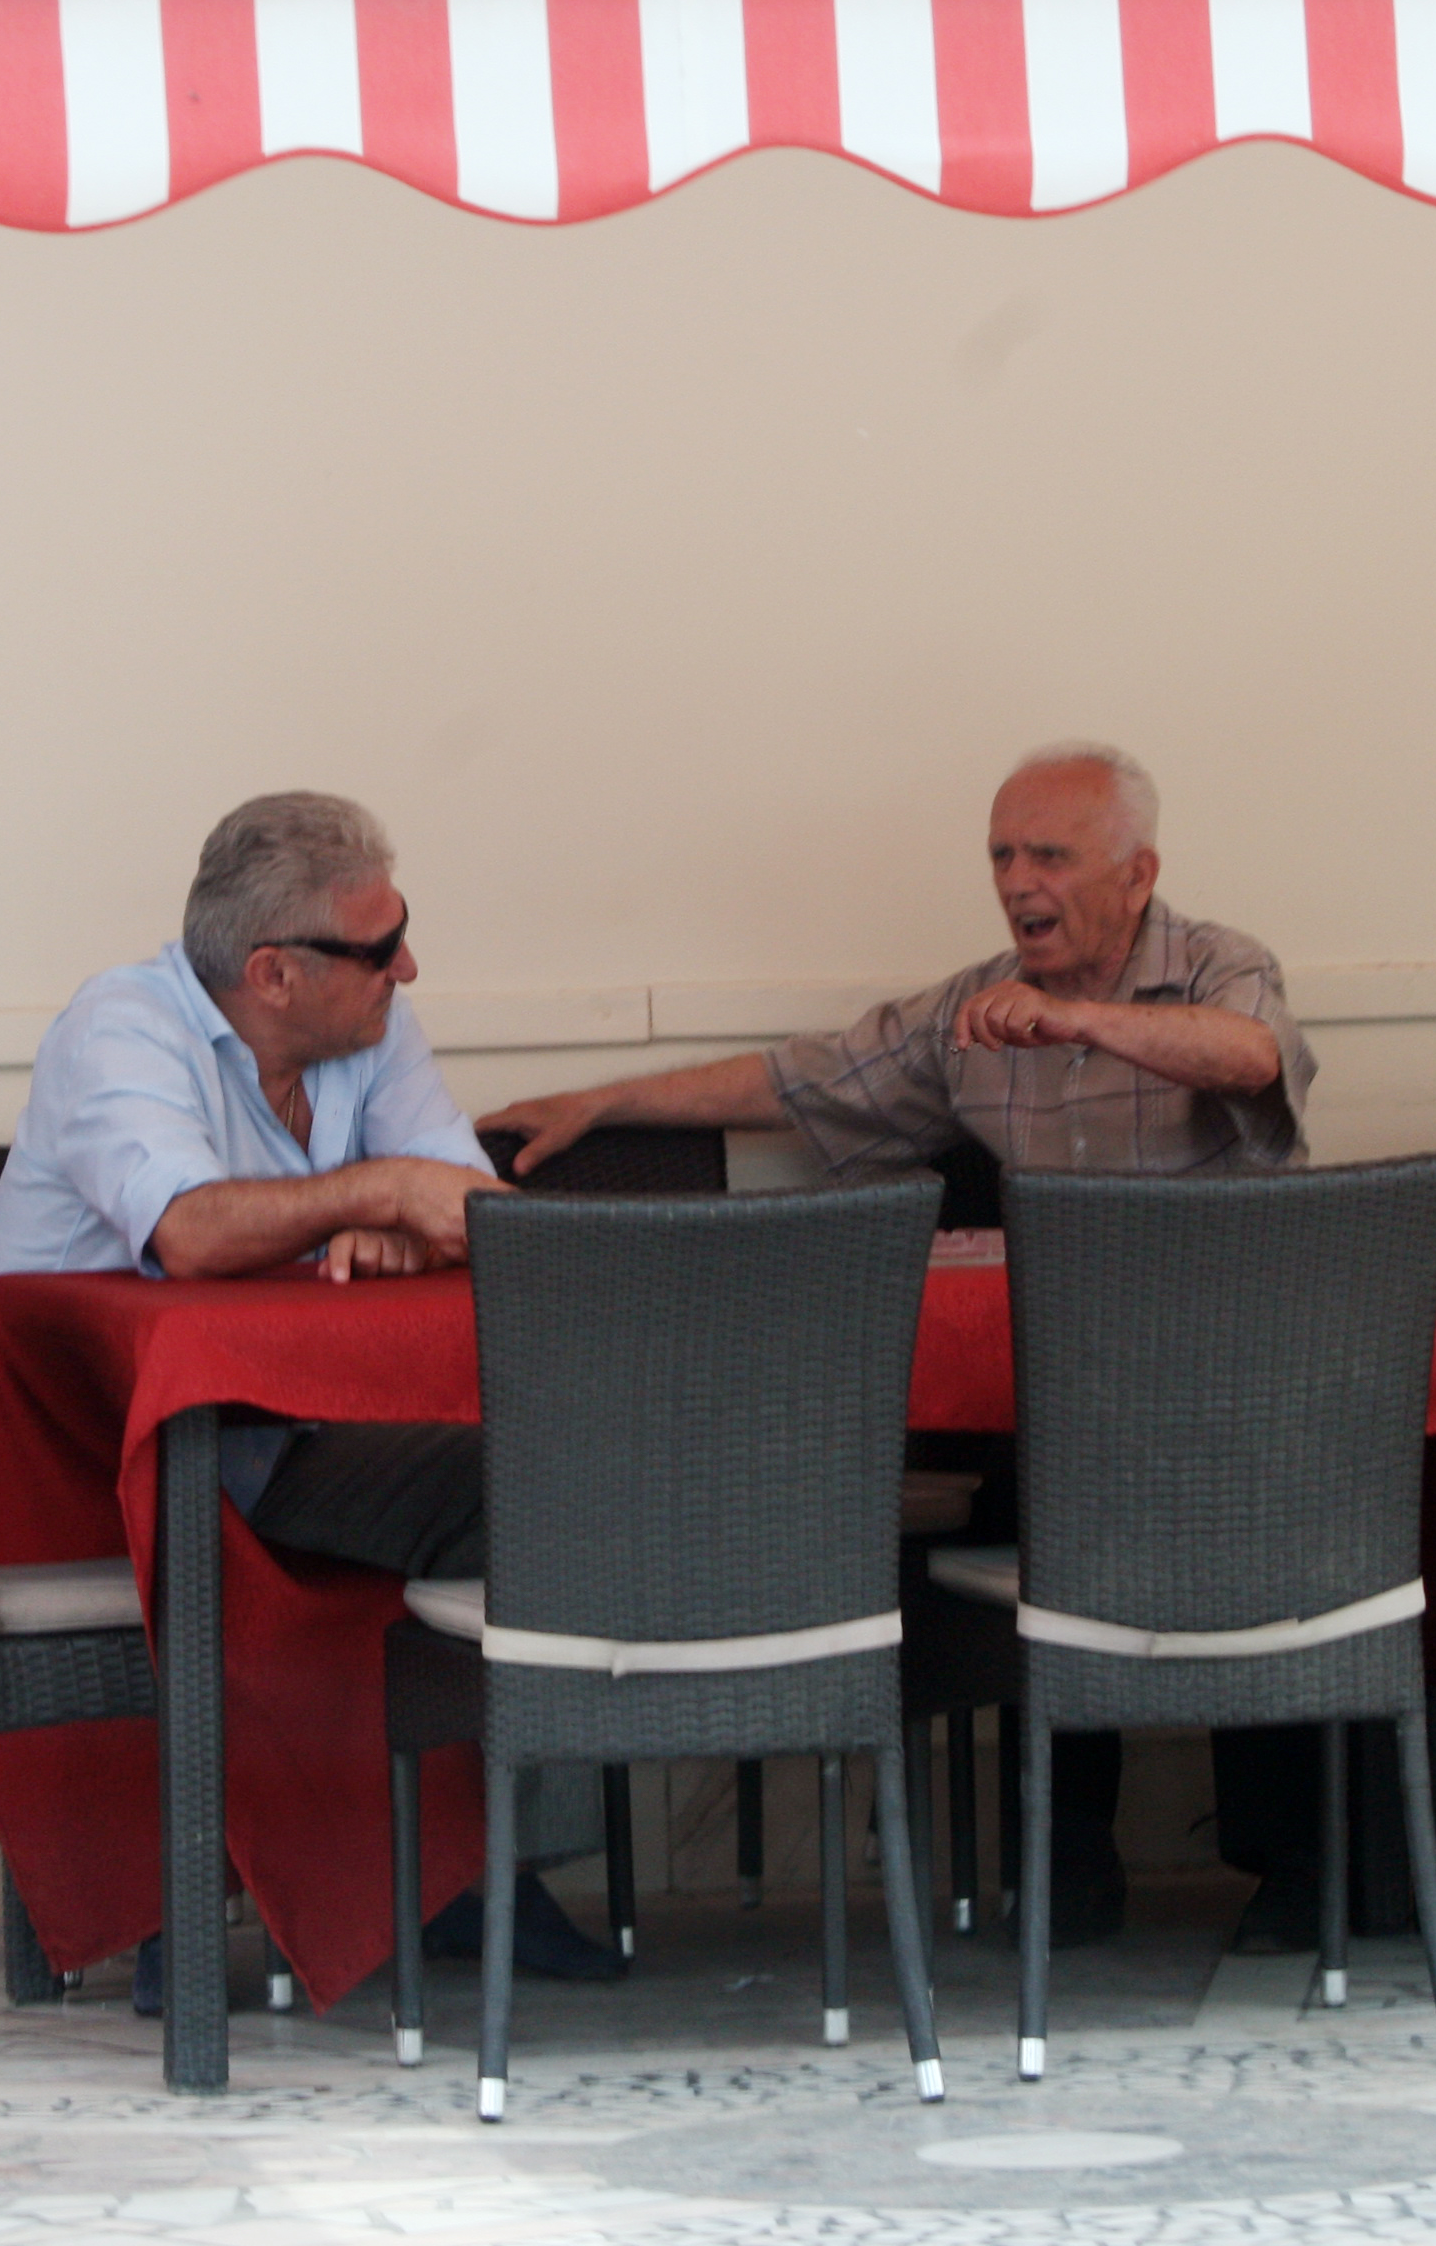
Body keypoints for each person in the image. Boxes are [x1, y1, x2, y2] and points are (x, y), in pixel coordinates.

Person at [482, 743, 1313, 1947]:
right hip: (1069, 1391)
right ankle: (1062, 1865)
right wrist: (607, 1102)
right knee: (1017, 1491)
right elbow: (801, 1079)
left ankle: (1296, 1869)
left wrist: (1079, 1021)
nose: (1017, 881)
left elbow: (1254, 1059)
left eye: (1048, 856)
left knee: (1258, 1515)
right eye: (1000, 856)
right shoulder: (970, 1011)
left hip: (1239, 1377)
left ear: (1137, 875)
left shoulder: (1221, 965)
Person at [0, 791, 619, 1993]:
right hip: (98, 1447)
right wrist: (373, 1195)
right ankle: (384, 1881)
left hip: (298, 1426)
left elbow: (475, 1213)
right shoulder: (119, 1028)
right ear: (273, 973)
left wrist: (407, 1225)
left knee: (548, 1464)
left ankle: (467, 1871)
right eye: (380, 949)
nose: (407, 966)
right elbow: (190, 1231)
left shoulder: (369, 1026)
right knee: (500, 1485)